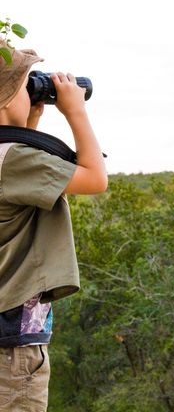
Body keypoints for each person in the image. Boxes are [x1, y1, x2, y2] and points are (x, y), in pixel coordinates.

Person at [0, 39, 108, 411]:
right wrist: (76, 112)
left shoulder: (10, 158)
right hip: (12, 349)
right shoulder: (14, 161)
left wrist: (30, 121)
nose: (33, 89)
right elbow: (95, 178)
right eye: (25, 84)